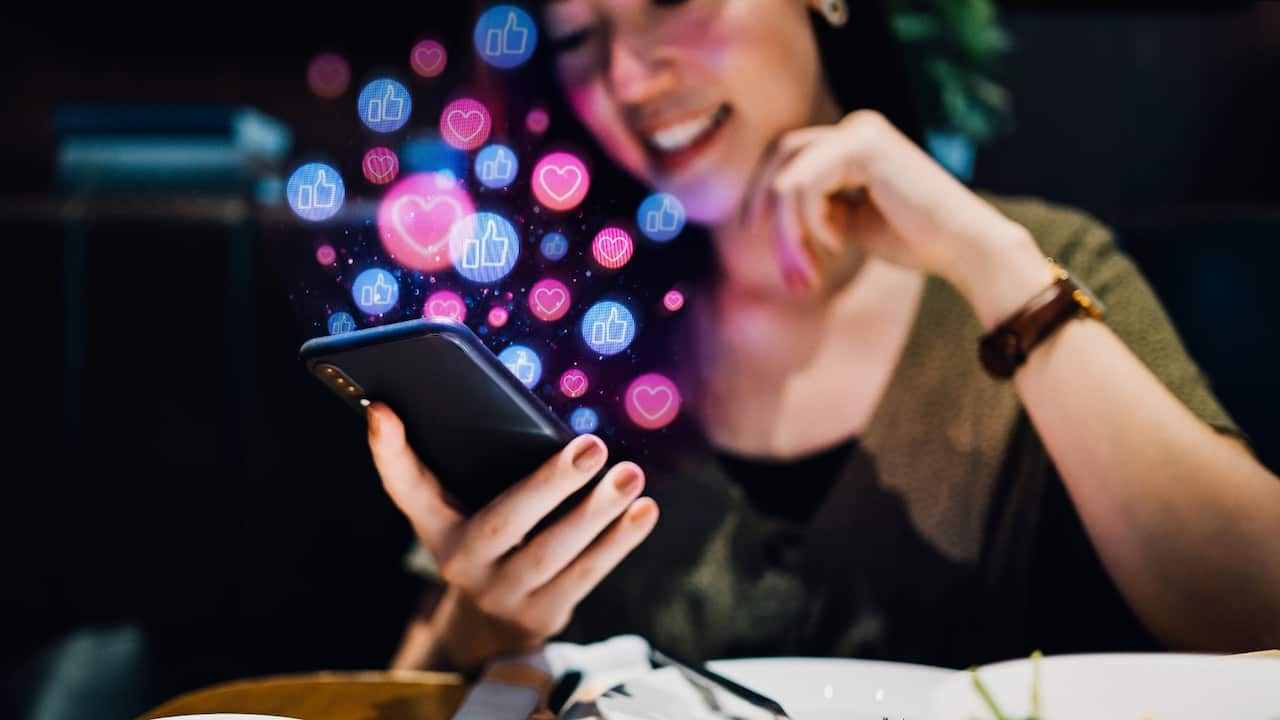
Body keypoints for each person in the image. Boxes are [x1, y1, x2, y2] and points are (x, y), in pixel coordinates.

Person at [368, 0, 1280, 673]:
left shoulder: (1040, 262)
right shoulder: (572, 333)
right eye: (578, 41)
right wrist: (486, 620)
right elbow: (414, 682)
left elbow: (1257, 611)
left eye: (672, 4)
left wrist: (993, 266)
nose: (628, 80)